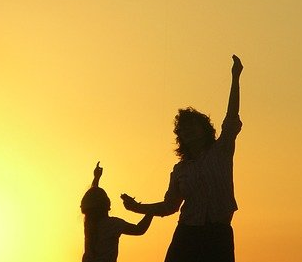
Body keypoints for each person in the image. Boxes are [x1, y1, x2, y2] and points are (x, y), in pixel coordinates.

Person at [121, 54, 243, 262]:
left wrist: (235, 77)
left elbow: (231, 117)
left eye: (192, 126)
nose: (187, 131)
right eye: (183, 130)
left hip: (218, 233)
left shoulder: (221, 151)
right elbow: (170, 206)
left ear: (204, 130)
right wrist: (137, 208)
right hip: (187, 234)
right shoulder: (180, 170)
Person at [80, 162, 153, 262]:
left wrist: (96, 178)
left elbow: (93, 200)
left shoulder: (89, 224)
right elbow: (139, 229)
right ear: (107, 205)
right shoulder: (114, 224)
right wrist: (151, 211)